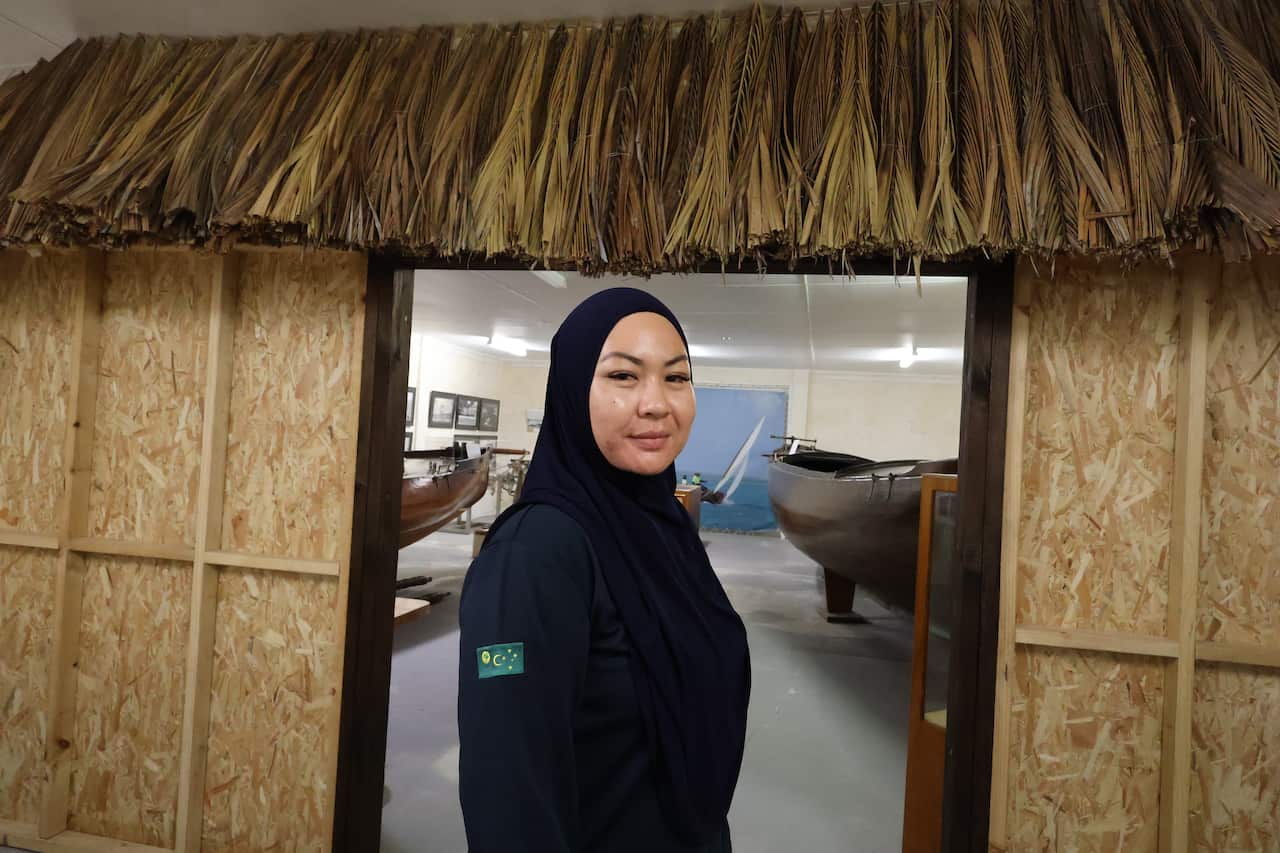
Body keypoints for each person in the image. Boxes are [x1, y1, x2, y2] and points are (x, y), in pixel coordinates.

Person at [457, 288, 751, 853]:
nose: (656, 403)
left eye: (676, 377)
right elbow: (508, 784)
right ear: (571, 391)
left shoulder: (662, 527)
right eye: (623, 376)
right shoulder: (536, 554)